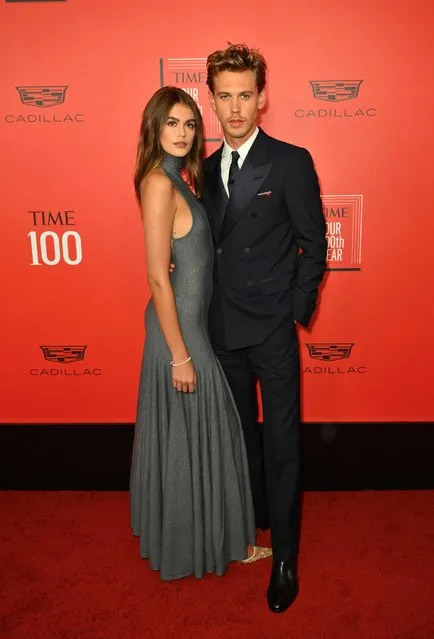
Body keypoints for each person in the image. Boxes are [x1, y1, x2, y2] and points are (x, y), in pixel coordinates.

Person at [202, 44, 327, 611]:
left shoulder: (289, 160)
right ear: (212, 98)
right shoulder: (201, 170)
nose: (235, 108)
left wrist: (294, 310)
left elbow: (314, 243)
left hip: (272, 328)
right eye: (224, 96)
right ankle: (245, 529)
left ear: (263, 97)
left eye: (245, 95)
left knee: (279, 445)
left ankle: (284, 558)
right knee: (238, 441)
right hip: (222, 331)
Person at [129, 86, 271, 581]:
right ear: (154, 126)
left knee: (197, 439)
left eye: (189, 124)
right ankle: (214, 545)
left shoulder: (180, 180)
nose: (183, 132)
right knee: (209, 435)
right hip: (180, 334)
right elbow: (155, 276)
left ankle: (204, 540)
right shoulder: (158, 183)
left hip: (190, 327)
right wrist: (180, 356)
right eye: (172, 122)